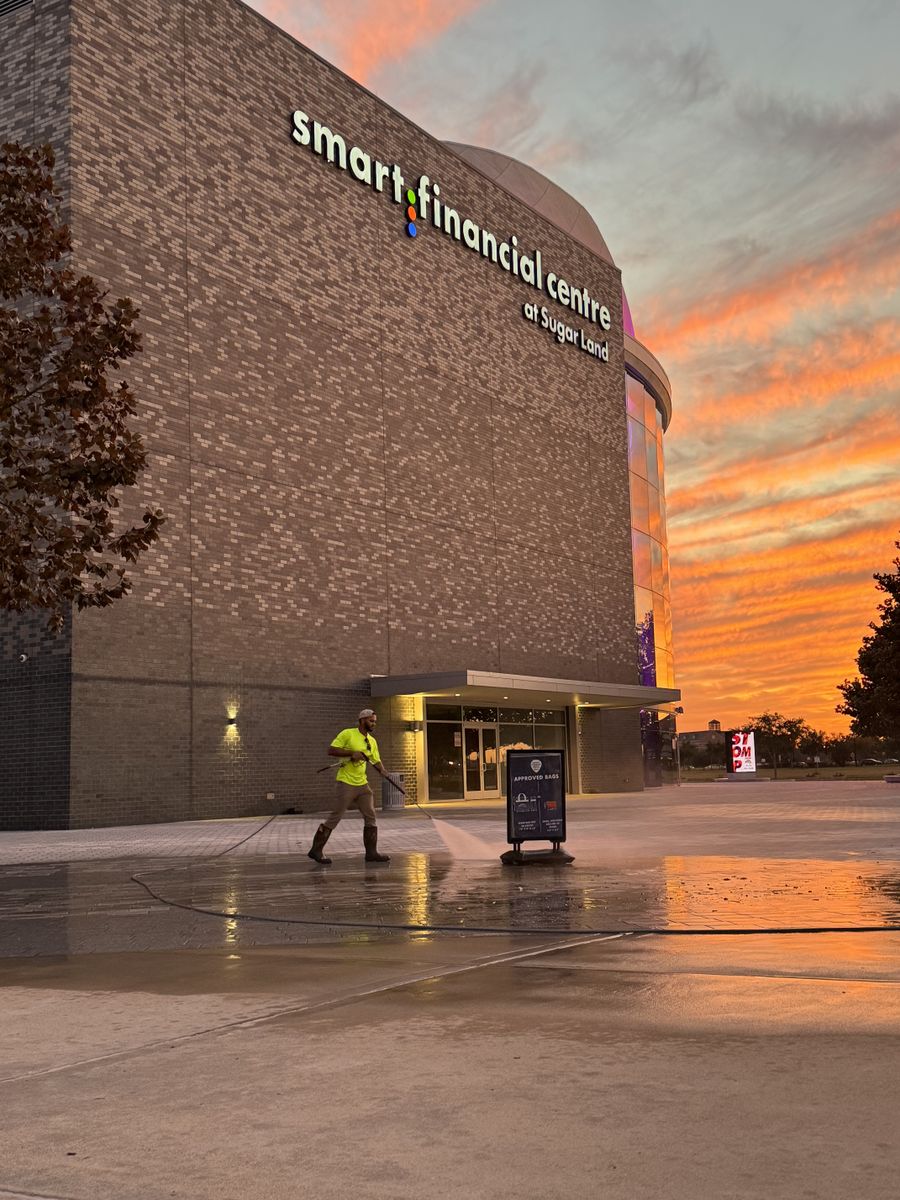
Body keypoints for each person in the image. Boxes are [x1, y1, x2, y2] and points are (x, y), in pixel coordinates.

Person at [307, 708, 404, 865]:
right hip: (346, 783)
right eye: (371, 721)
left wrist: (383, 770)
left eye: (375, 721)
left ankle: (371, 853)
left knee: (371, 815)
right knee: (335, 816)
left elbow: (375, 760)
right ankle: (316, 850)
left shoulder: (372, 741)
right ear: (362, 720)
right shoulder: (348, 734)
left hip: (362, 784)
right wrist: (352, 753)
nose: (374, 724)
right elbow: (331, 750)